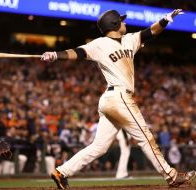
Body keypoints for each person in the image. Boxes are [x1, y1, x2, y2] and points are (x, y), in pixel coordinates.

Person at [41, 9, 196, 189]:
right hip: (119, 97)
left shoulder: (130, 39)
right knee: (145, 136)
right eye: (121, 21)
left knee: (99, 146)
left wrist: (165, 20)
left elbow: (150, 32)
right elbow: (77, 53)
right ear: (114, 24)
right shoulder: (99, 44)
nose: (124, 23)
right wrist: (55, 55)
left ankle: (61, 172)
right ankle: (171, 176)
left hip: (111, 99)